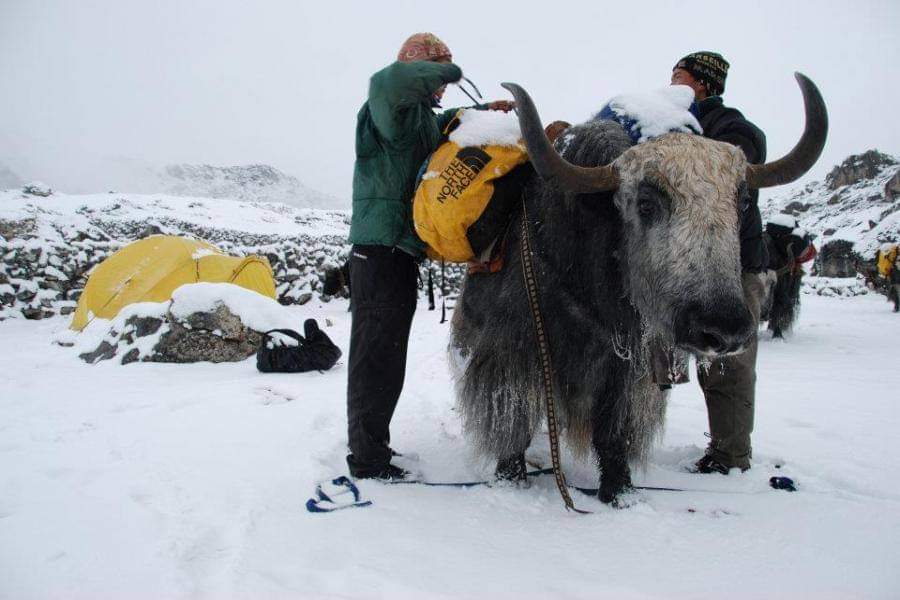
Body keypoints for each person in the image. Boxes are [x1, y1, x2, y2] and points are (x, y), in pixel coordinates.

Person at [346, 33, 513, 480]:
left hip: (399, 252)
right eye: (438, 73)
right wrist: (450, 67)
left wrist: (480, 113)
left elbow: (443, 126)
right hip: (378, 251)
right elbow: (388, 80)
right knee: (376, 356)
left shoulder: (418, 118)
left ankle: (370, 446)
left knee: (386, 355)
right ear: (420, 67)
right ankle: (367, 459)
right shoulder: (388, 106)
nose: (443, 87)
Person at [671, 51, 769, 474]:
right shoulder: (669, 129)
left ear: (704, 86)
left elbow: (738, 159)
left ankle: (730, 457)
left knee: (727, 360)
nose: (670, 85)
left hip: (733, 265)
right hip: (676, 267)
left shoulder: (732, 127)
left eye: (679, 77)